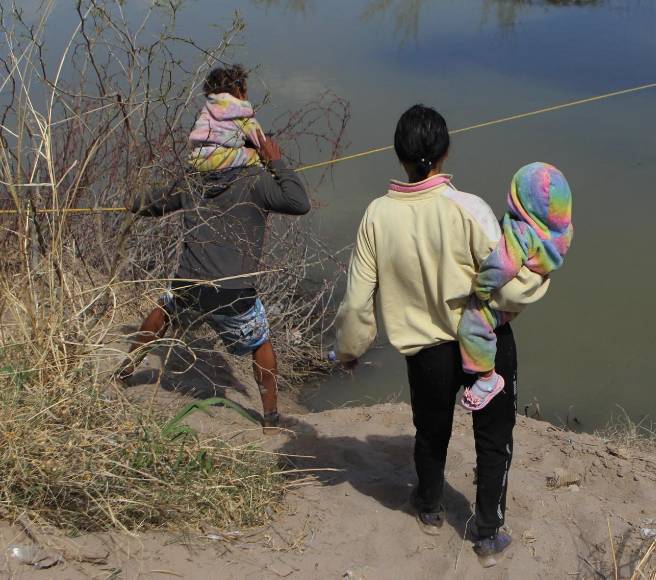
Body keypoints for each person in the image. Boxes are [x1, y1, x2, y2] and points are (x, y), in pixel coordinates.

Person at [333, 104, 547, 567]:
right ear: (446, 151)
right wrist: (540, 275)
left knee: (431, 431)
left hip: (425, 352)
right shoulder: (469, 208)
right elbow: (506, 281)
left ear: (398, 155)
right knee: (493, 437)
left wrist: (350, 349)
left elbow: (356, 302)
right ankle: (488, 534)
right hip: (485, 344)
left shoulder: (377, 215)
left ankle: (428, 507)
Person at [117, 74, 310, 432]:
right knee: (260, 341)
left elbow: (158, 203)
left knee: (163, 309)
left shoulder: (193, 178)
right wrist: (277, 163)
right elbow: (300, 202)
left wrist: (131, 205)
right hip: (233, 293)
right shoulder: (257, 181)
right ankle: (270, 418)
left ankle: (127, 369)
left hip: (190, 282)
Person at [457, 162, 573, 411]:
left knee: (474, 324)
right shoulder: (563, 232)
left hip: (503, 294)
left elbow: (502, 267)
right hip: (524, 297)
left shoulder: (522, 232)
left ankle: (487, 378)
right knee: (499, 319)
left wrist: (482, 289)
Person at [188, 64, 265, 172]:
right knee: (256, 156)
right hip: (222, 161)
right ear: (240, 91)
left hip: (198, 160)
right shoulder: (241, 112)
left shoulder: (206, 111)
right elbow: (260, 142)